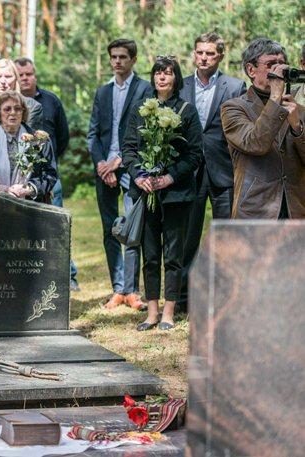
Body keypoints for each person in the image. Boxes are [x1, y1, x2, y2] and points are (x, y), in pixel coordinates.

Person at [122, 56, 203, 331]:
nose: (162, 77)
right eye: (157, 73)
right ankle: (152, 312)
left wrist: (170, 176)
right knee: (151, 252)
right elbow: (129, 149)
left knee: (173, 253)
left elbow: (194, 154)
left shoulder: (186, 110)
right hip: (146, 193)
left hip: (177, 193)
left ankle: (169, 311)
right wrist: (139, 175)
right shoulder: (140, 110)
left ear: (176, 77)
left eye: (167, 73)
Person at [178, 32, 246, 311]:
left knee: (225, 236)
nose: (204, 57)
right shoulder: (180, 87)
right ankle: (181, 296)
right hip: (189, 173)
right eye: (199, 52)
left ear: (220, 56)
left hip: (223, 171)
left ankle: (224, 297)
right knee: (186, 236)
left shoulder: (235, 86)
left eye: (210, 53)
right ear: (194, 54)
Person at [87, 39, 152, 310]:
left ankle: (132, 290)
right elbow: (93, 134)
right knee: (109, 229)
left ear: (133, 59)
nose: (117, 61)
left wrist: (119, 162)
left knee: (131, 228)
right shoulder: (102, 92)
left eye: (123, 57)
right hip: (104, 169)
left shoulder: (145, 89)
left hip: (131, 167)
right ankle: (117, 289)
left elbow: (146, 134)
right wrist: (103, 164)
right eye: (113, 56)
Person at [221, 38, 305, 219]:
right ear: (251, 70)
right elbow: (255, 144)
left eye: (281, 64)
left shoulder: (297, 110)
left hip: (295, 209)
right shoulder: (233, 108)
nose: (278, 70)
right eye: (271, 65)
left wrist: (298, 127)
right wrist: (275, 98)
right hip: (255, 210)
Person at [14, 56, 79, 291]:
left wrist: (47, 161)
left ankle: (66, 275)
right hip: (16, 179)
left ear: (35, 75)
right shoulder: (9, 103)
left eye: (28, 74)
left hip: (48, 176)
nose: (24, 78)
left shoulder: (51, 100)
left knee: (56, 225)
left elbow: (62, 137)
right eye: (20, 75)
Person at [0, 91, 56, 201]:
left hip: (32, 207)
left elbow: (50, 175)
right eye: (7, 109)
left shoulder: (39, 141)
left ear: (23, 112)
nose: (13, 113)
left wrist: (29, 188)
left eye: (17, 109)